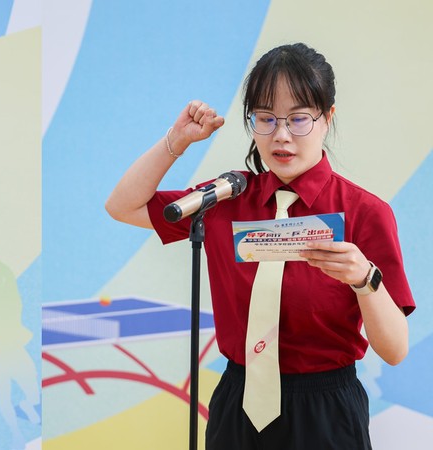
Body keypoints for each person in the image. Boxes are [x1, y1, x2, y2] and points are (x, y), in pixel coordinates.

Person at [105, 42, 414, 449]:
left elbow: (394, 350)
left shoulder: (365, 212)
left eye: (298, 119)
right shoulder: (225, 198)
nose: (281, 136)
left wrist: (364, 279)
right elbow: (123, 206)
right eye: (265, 119)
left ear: (327, 118)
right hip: (238, 404)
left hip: (326, 410)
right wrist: (176, 141)